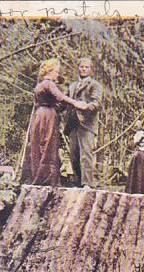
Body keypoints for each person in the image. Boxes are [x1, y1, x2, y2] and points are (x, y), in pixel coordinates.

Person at [29, 58, 85, 186]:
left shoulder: (39, 85)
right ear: (50, 71)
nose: (57, 74)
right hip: (48, 116)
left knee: (38, 145)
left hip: (39, 116)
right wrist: (76, 103)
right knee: (49, 145)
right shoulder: (49, 83)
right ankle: (47, 179)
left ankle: (38, 176)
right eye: (56, 72)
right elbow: (60, 97)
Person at [64, 57, 103, 189]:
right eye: (81, 67)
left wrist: (86, 106)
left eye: (86, 67)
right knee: (74, 154)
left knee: (86, 154)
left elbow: (96, 103)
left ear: (91, 70)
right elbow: (64, 102)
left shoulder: (95, 85)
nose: (83, 69)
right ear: (78, 68)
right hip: (73, 124)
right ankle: (77, 181)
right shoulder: (72, 86)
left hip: (87, 124)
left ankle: (87, 183)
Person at [125, 118, 144, 194]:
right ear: (143, 126)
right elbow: (134, 143)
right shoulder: (140, 133)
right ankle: (137, 191)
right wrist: (140, 138)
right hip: (140, 155)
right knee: (139, 174)